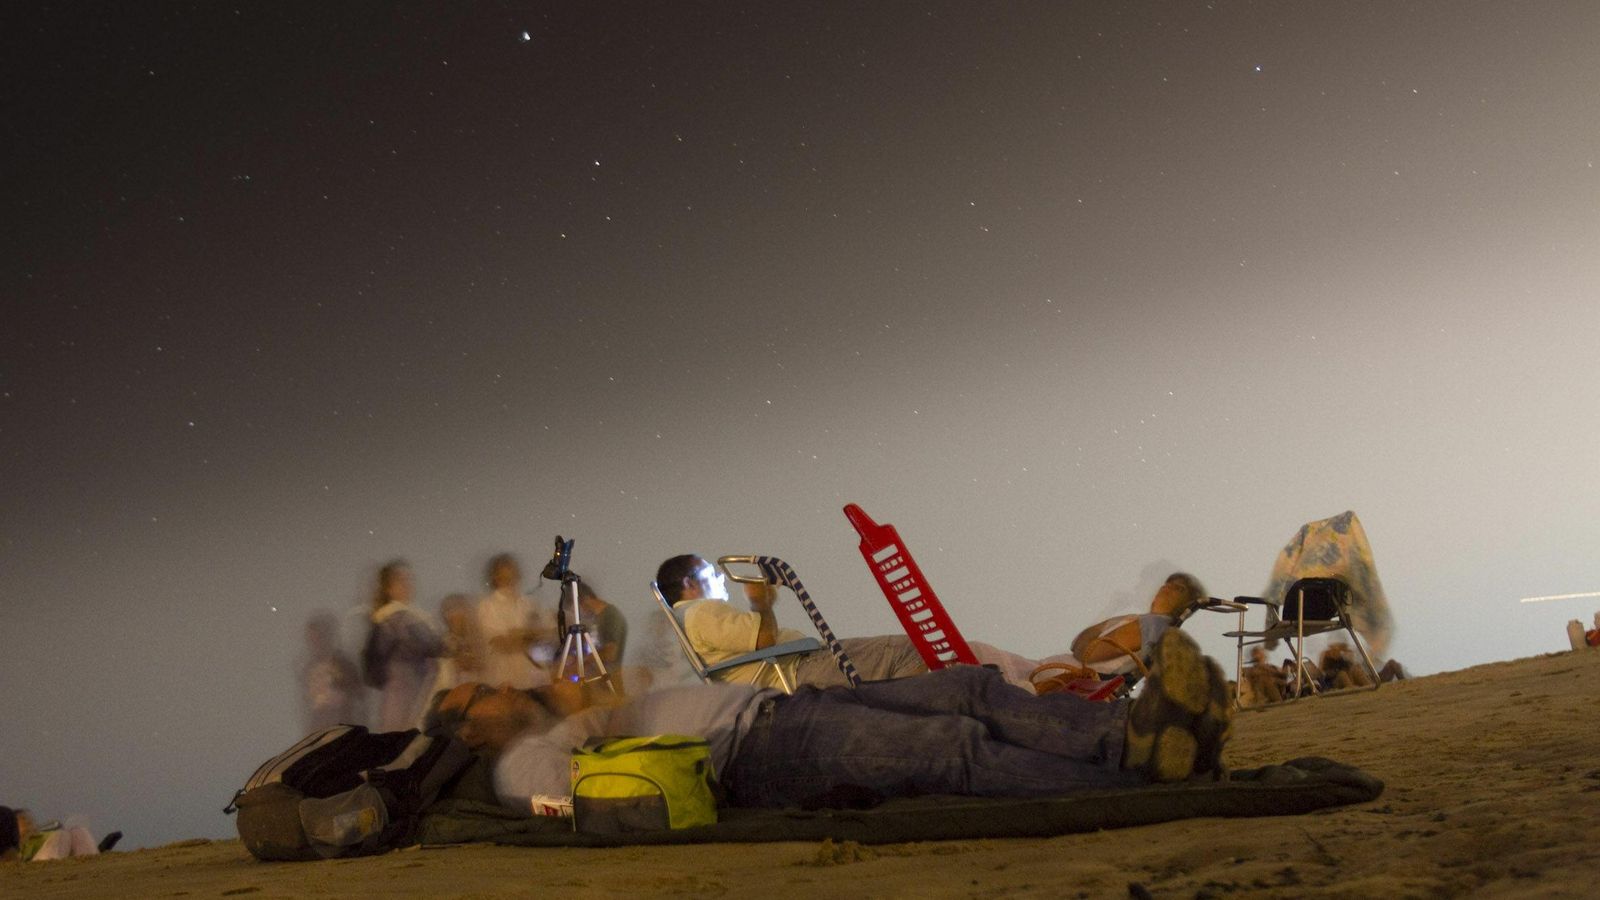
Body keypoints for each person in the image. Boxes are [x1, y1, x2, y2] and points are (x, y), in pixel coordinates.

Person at [451, 629, 1234, 814]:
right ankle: (1137, 781)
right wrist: (581, 718)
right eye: (475, 695)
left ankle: (1127, 738)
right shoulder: (518, 763)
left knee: (969, 687)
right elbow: (581, 799)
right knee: (945, 747)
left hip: (785, 709)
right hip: (754, 755)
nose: (495, 685)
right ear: (469, 731)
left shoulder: (566, 705)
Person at [656, 554, 926, 689]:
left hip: (801, 661)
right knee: (911, 650)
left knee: (900, 651)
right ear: (689, 583)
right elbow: (764, 640)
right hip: (795, 670)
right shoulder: (701, 612)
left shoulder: (686, 620)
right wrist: (761, 604)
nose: (720, 578)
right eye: (710, 573)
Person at [364, 559, 446, 731]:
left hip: (417, 683)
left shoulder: (413, 614)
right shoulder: (392, 616)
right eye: (400, 580)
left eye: (408, 579)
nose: (407, 585)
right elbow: (427, 645)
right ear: (388, 588)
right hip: (402, 684)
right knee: (400, 730)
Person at [477, 554, 556, 690]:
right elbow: (501, 643)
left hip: (534, 678)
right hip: (505, 680)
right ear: (494, 577)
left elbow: (552, 632)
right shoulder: (487, 606)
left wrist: (523, 634)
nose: (509, 577)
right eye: (503, 573)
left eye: (512, 571)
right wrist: (531, 635)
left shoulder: (529, 603)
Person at [552, 581, 629, 692]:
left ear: (584, 599)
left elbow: (610, 653)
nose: (578, 614)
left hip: (608, 687)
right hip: (596, 686)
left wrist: (582, 663)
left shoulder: (611, 615)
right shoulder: (596, 619)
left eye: (576, 609)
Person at [300, 612, 365, 731]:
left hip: (341, 724)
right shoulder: (308, 668)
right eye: (311, 639)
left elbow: (359, 693)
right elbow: (306, 702)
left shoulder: (344, 664)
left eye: (318, 637)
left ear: (327, 637)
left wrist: (344, 696)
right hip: (319, 726)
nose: (315, 643)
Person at [434, 593, 487, 691]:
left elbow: (484, 664)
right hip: (453, 686)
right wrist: (456, 663)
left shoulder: (477, 640)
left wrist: (473, 663)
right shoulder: (444, 640)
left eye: (459, 614)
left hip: (475, 685)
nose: (455, 620)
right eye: (451, 615)